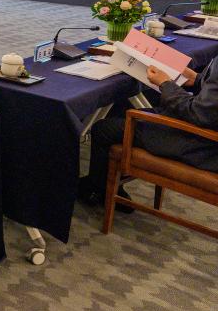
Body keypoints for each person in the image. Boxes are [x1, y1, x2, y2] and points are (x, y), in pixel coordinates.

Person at [81, 59, 218, 207]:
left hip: (202, 145)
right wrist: (197, 79)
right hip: (206, 136)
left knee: (103, 129)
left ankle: (98, 191)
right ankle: (111, 188)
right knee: (123, 114)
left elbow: (198, 114)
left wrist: (165, 84)